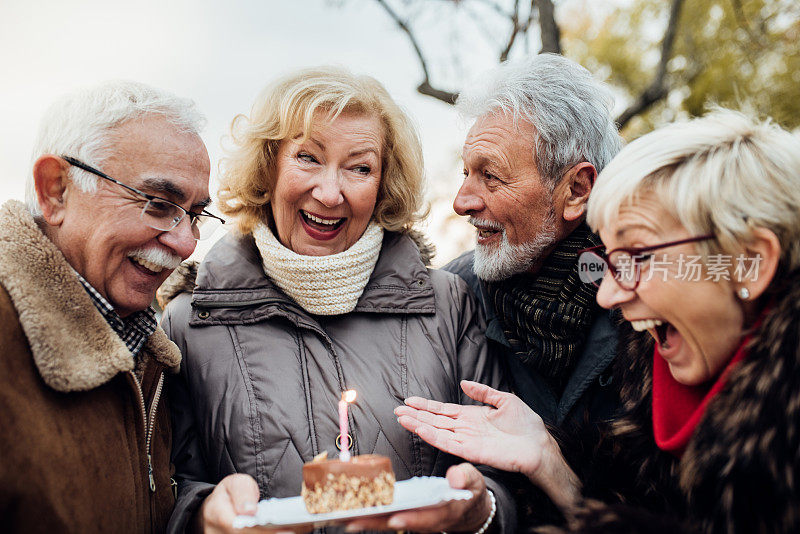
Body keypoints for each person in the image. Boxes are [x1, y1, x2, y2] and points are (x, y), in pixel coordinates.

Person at [396, 109, 800, 532]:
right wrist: (548, 461)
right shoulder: (650, 384)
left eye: (638, 256)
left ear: (751, 262)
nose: (607, 294)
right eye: (610, 258)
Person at [160, 67, 514, 534]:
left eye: (360, 167)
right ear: (268, 167)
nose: (329, 193)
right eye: (308, 157)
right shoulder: (190, 322)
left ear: (384, 182)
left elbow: (505, 482)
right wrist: (203, 515)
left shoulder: (447, 304)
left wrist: (484, 509)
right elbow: (161, 492)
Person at [0, 81, 218, 532]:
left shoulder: (154, 357)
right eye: (159, 204)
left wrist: (204, 520)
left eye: (194, 214)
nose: (186, 243)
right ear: (55, 189)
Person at [441, 53, 622, 522]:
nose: (462, 201)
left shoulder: (651, 303)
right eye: (466, 172)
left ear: (577, 190)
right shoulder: (454, 295)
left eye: (491, 175)